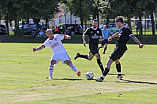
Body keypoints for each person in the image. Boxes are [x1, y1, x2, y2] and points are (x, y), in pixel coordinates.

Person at [95, 16, 144, 82]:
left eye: (116, 23)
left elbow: (133, 36)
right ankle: (119, 74)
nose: (116, 25)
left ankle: (102, 78)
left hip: (120, 48)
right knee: (116, 60)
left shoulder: (126, 29)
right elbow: (118, 33)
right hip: (120, 48)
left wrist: (139, 43)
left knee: (109, 61)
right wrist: (112, 37)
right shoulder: (122, 29)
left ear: (119, 22)